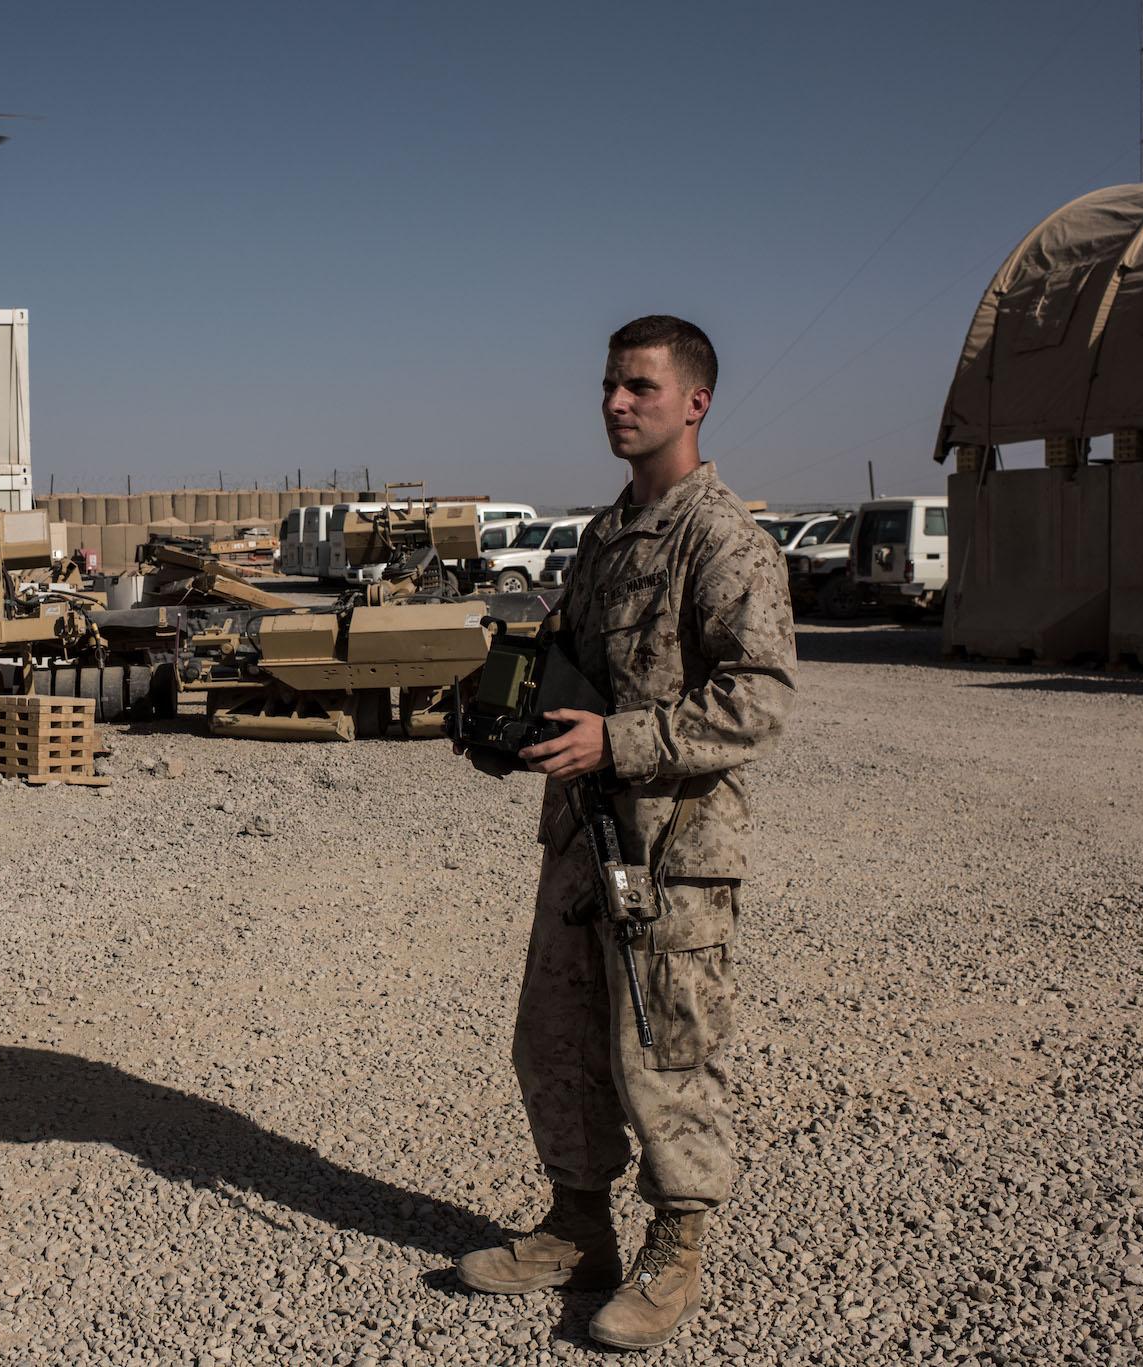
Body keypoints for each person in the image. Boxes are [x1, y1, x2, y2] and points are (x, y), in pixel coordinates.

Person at [454, 315, 796, 1350]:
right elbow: (575, 667)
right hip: (581, 838)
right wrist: (507, 715)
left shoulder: (722, 536)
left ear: (692, 401)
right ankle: (576, 1226)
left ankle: (676, 1247)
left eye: (639, 387)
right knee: (553, 1039)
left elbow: (760, 696)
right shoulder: (604, 536)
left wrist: (621, 739)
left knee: (664, 1048)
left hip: (672, 847)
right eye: (608, 384)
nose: (615, 403)